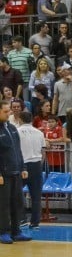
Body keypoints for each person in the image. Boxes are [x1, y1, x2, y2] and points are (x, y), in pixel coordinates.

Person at [0, 100, 31, 244]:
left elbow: (18, 150)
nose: (9, 114)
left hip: (16, 171)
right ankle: (3, 232)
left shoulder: (12, 128)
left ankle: (16, 231)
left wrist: (23, 167)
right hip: (3, 174)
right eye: (5, 111)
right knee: (3, 204)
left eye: (9, 111)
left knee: (16, 202)